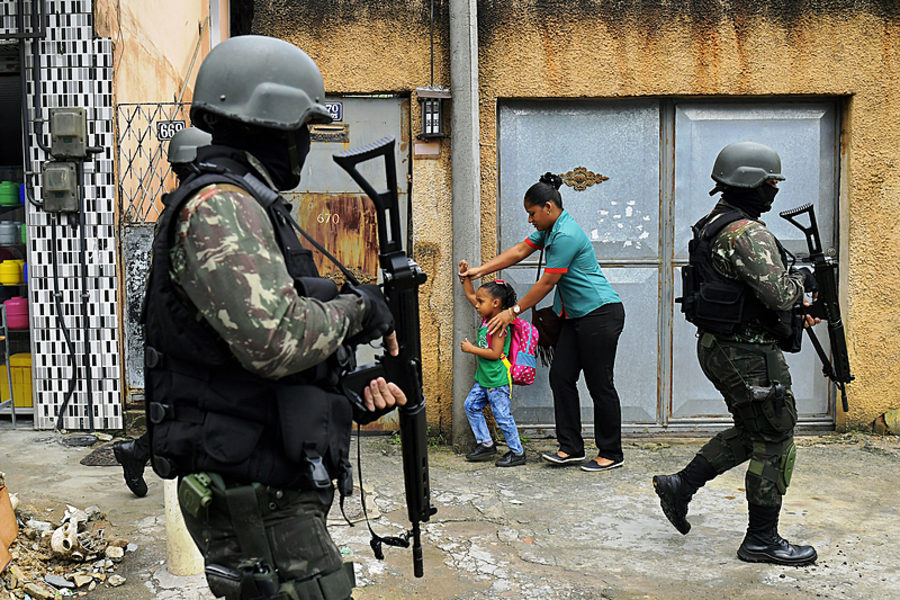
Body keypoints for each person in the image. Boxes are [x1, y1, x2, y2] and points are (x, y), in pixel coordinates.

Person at [141, 35, 406, 600]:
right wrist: (358, 310)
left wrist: (342, 389)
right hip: (248, 488)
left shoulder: (250, 203)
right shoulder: (219, 205)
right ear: (272, 124)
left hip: (267, 476)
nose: (306, 142)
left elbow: (249, 356)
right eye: (302, 129)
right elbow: (275, 340)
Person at [653, 141, 819, 566]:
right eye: (771, 182)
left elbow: (747, 293)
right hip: (744, 352)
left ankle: (680, 485)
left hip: (721, 346)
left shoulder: (714, 222)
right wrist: (803, 277)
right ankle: (762, 540)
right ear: (752, 182)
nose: (774, 189)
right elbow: (780, 293)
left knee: (754, 431)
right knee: (776, 437)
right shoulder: (746, 231)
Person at [460, 172, 625, 473]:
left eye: (532, 213)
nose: (530, 220)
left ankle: (611, 452)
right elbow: (520, 251)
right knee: (561, 377)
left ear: (548, 208)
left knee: (600, 384)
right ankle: (571, 447)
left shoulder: (566, 235)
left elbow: (548, 282)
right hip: (576, 318)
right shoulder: (550, 231)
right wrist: (480, 270)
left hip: (600, 315)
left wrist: (513, 310)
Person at [113, 126, 214, 499]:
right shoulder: (189, 210)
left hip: (168, 325)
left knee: (176, 405)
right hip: (174, 329)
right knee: (181, 405)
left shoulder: (180, 207)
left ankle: (137, 453)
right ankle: (140, 453)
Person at [457, 261, 526, 467]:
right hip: (485, 379)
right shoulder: (488, 317)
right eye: (477, 301)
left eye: (480, 301)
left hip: (497, 380)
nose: (475, 304)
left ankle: (517, 453)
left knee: (502, 416)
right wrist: (465, 277)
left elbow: (495, 353)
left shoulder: (498, 325)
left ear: (495, 303)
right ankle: (486, 443)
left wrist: (471, 349)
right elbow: (470, 294)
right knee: (471, 406)